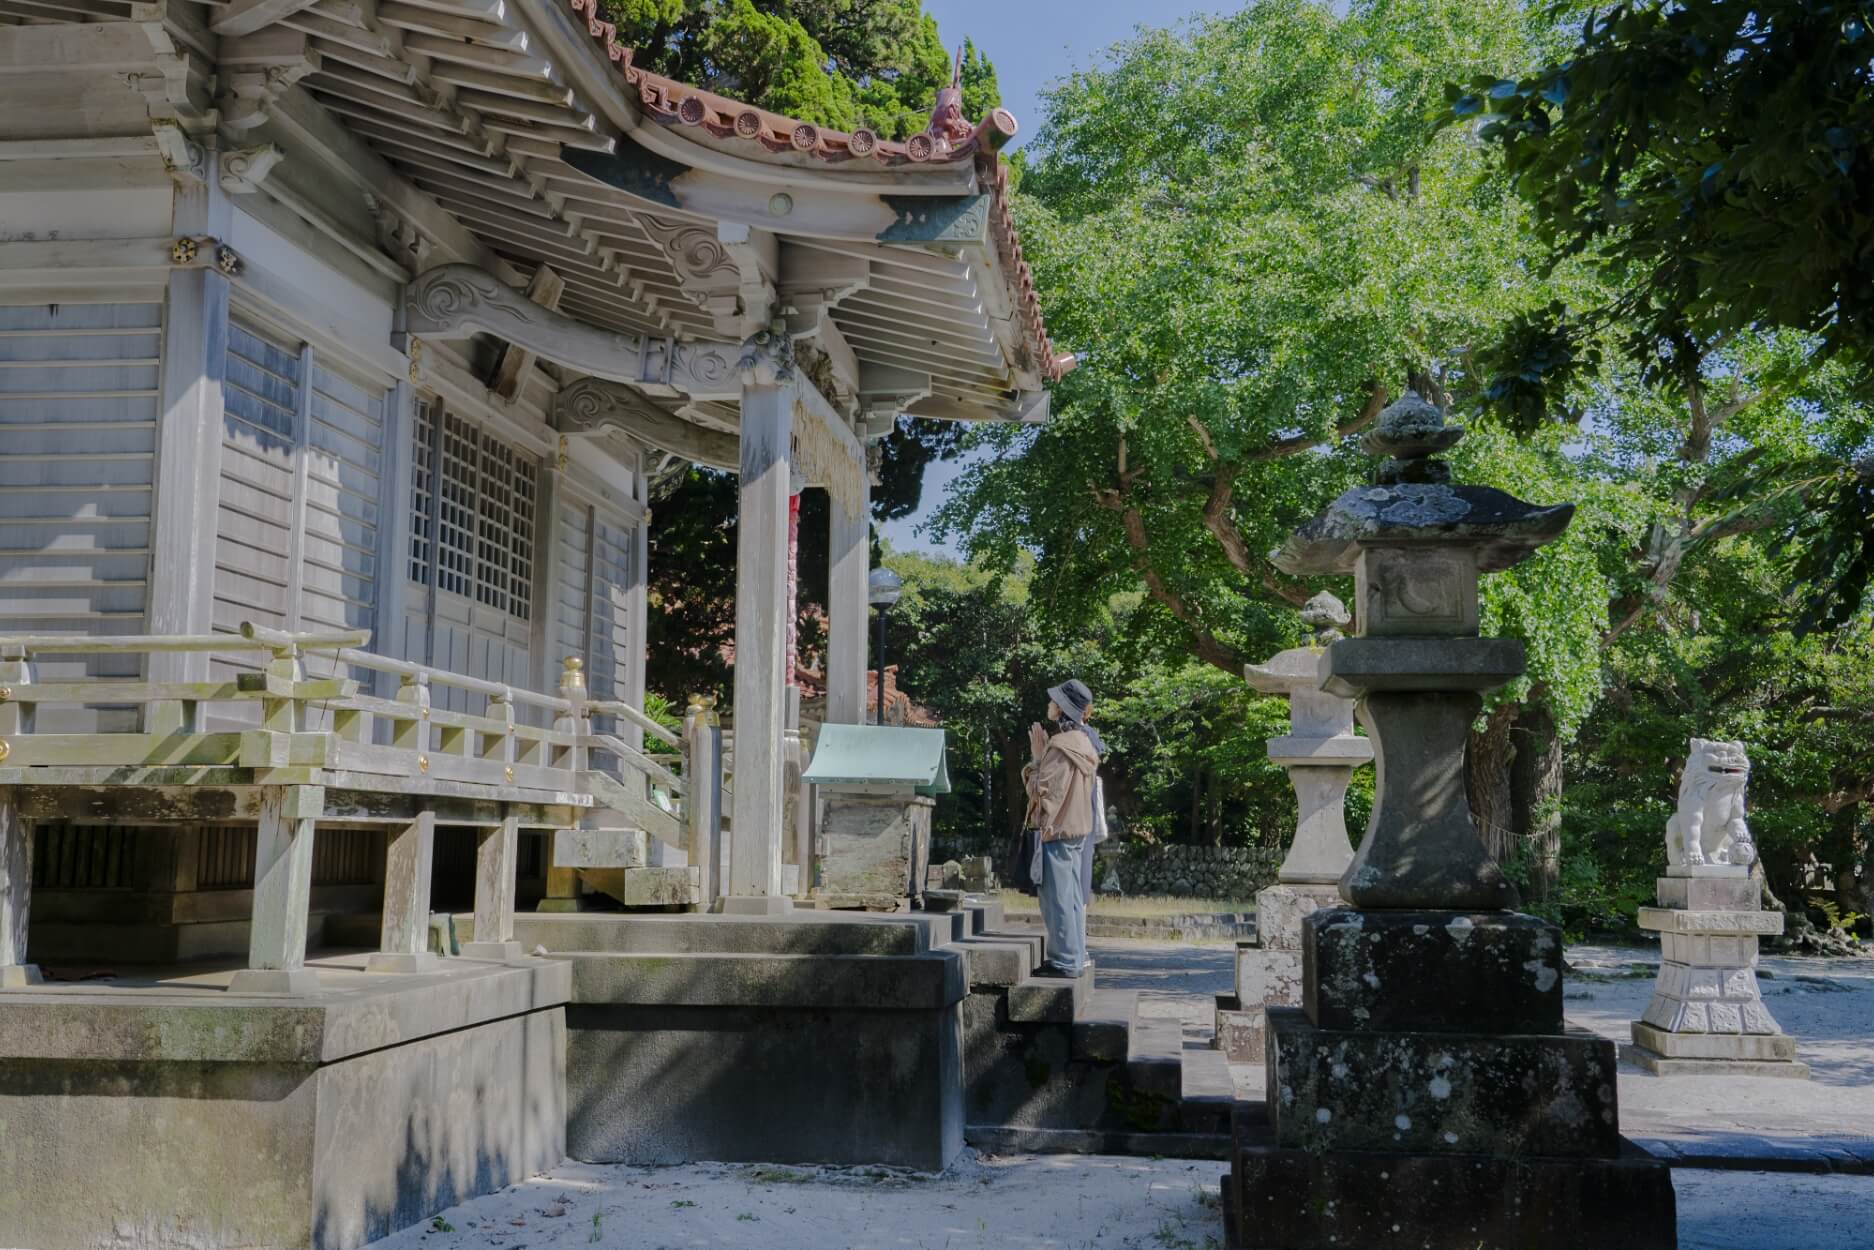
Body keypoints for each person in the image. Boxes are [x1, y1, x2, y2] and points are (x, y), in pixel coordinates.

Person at [1023, 678, 1102, 978]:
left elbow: (1045, 794)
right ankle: (1074, 956)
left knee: (1056, 898)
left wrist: (1036, 758)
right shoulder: (1085, 742)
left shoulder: (1060, 746)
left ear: (1062, 708)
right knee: (1070, 897)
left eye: (1053, 700)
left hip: (1058, 829)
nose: (1049, 703)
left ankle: (1065, 960)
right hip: (1078, 828)